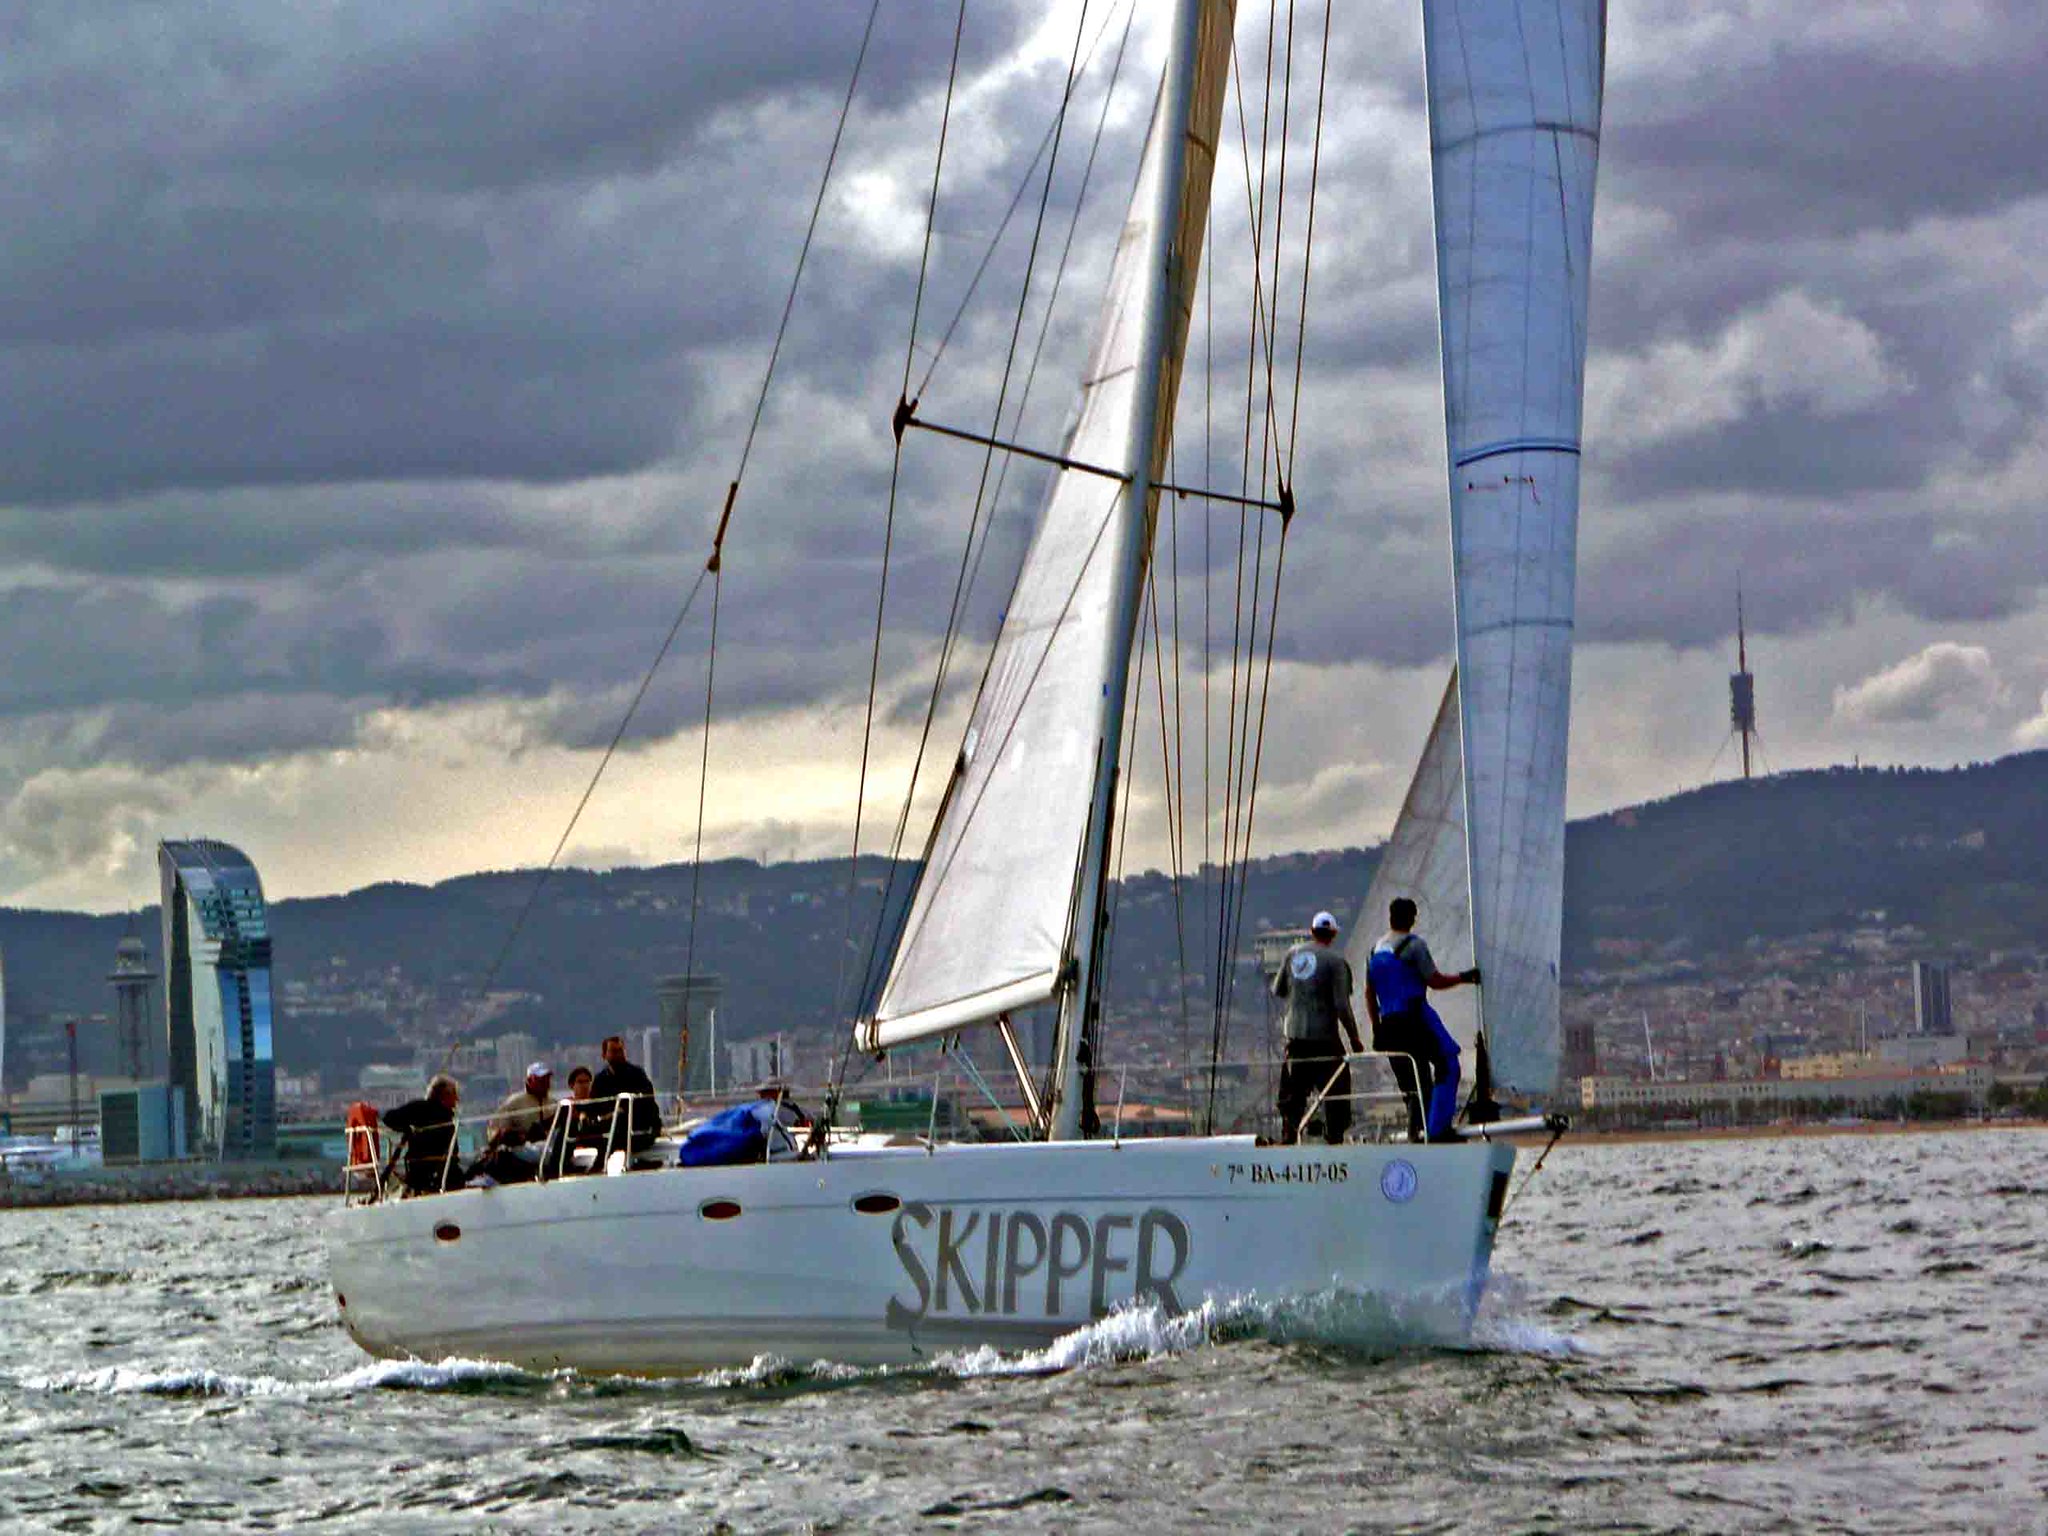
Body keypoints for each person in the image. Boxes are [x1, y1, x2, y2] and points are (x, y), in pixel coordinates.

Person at [1365, 897, 1480, 1142]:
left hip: (1388, 1025)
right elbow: (1434, 981)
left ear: (1390, 917)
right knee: (1448, 1064)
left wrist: (1377, 1029)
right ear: (1411, 918)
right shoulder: (1414, 946)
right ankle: (1438, 1129)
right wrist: (1464, 977)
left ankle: (1416, 1133)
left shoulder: (1374, 950)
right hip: (1415, 1017)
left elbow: (1369, 992)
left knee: (1413, 1081)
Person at [1271, 911, 1365, 1145]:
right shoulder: (1336, 962)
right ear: (1333, 934)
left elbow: (1279, 990)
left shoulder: (1292, 955)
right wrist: (1354, 1038)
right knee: (1337, 1088)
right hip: (1325, 1038)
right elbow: (1342, 1005)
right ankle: (1334, 1136)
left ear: (1312, 931)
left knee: (1293, 1091)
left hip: (1295, 1037)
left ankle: (1289, 1135)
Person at [469, 1063, 554, 1185]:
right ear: (530, 1080)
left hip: (548, 1148)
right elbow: (496, 1129)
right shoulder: (514, 1103)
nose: (545, 1082)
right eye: (540, 1079)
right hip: (522, 1149)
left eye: (547, 1078)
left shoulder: (554, 1103)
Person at [381, 1075, 463, 1195]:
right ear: (444, 1095)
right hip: (430, 1172)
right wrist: (407, 1129)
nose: (457, 1099)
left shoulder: (445, 1116)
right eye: (454, 1094)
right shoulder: (420, 1108)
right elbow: (389, 1118)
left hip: (440, 1171)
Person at [591, 1034, 661, 1156]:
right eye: (613, 1051)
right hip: (610, 1127)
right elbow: (594, 1107)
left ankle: (604, 1160)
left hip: (638, 1125)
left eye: (620, 1051)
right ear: (604, 1055)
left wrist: (622, 1111)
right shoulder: (600, 1080)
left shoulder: (637, 1074)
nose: (618, 1055)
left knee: (620, 1122)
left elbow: (647, 1103)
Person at [539, 1064, 604, 1178]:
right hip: (572, 1136)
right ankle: (556, 1169)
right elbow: (553, 1122)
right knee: (565, 1131)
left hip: (594, 1135)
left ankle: (599, 1167)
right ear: (572, 1085)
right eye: (580, 1082)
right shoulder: (567, 1105)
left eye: (587, 1081)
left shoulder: (597, 1104)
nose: (584, 1085)